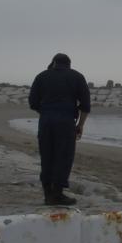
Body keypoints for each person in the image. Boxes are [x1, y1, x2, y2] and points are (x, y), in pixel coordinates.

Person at [28, 53, 90, 206]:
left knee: (47, 155)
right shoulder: (77, 77)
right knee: (64, 156)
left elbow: (33, 102)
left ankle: (47, 194)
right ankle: (58, 193)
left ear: (53, 63)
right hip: (66, 121)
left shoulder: (41, 76)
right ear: (69, 64)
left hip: (46, 120)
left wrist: (46, 112)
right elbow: (85, 106)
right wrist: (80, 125)